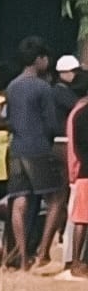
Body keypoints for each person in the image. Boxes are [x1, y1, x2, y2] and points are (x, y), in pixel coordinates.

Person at [5, 37, 68, 273]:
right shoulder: (43, 87)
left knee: (19, 201)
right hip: (39, 147)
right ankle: (43, 251)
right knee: (56, 199)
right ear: (39, 59)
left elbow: (11, 118)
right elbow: (51, 123)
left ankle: (21, 258)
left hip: (17, 148)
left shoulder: (12, 86)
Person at [67, 91, 88, 279]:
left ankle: (76, 261)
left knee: (81, 219)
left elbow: (76, 145)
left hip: (84, 170)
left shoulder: (79, 115)